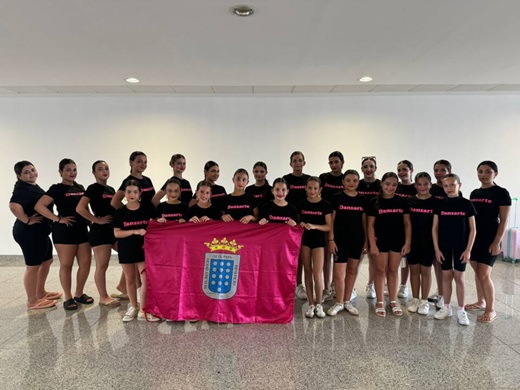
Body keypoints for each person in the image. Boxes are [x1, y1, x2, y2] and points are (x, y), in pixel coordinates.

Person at [35, 158, 92, 311]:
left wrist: (91, 221)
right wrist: (57, 219)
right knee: (66, 265)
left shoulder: (80, 187)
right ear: (60, 172)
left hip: (81, 230)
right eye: (68, 170)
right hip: (64, 231)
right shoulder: (56, 188)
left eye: (74, 169)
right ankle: (68, 297)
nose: (72, 173)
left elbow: (85, 208)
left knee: (85, 263)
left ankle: (79, 293)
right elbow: (39, 206)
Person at [9, 161, 59, 310]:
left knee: (47, 260)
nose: (31, 173)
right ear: (19, 176)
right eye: (26, 172)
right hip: (28, 233)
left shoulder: (32, 186)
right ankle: (32, 301)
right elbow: (13, 205)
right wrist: (26, 220)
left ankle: (40, 292)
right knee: (33, 266)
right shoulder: (21, 189)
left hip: (40, 232)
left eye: (32, 170)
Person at [467, 161, 511, 323]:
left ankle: (490, 309)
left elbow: (504, 220)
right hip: (475, 239)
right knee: (477, 271)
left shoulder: (501, 193)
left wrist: (496, 242)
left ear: (495, 174)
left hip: (490, 238)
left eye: (488, 171)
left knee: (484, 274)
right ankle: (481, 301)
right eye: (480, 171)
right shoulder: (475, 193)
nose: (483, 175)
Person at [432, 174, 476, 326]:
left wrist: (468, 249)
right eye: (446, 186)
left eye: (452, 185)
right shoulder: (440, 204)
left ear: (459, 185)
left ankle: (461, 310)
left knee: (459, 277)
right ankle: (446, 307)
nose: (449, 188)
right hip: (444, 246)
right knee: (446, 275)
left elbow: (473, 230)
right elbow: (434, 228)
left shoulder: (466, 204)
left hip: (461, 246)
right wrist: (437, 249)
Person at [113, 179, 160, 322]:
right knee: (129, 279)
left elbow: (155, 225)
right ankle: (133, 306)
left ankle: (143, 310)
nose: (131, 194)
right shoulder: (120, 211)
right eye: (128, 192)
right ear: (125, 194)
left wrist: (161, 222)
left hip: (144, 250)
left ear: (140, 193)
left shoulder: (147, 209)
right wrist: (134, 231)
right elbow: (117, 233)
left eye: (135, 191)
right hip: (126, 249)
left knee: (145, 280)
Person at [111, 151, 155, 298]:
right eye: (139, 161)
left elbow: (153, 201)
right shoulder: (127, 181)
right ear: (131, 162)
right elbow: (115, 202)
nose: (142, 164)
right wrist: (128, 214)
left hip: (146, 221)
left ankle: (126, 290)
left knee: (139, 264)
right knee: (133, 264)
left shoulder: (147, 180)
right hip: (135, 225)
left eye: (145, 162)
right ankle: (130, 294)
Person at [76, 160, 120, 307]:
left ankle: (124, 288)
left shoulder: (111, 190)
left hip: (113, 230)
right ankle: (103, 297)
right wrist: (96, 220)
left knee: (129, 256)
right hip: (100, 232)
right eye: (100, 169)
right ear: (94, 173)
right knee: (102, 265)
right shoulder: (92, 188)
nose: (104, 171)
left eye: (106, 168)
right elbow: (80, 208)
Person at [367, 172, 411, 317]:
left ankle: (393, 300)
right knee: (380, 270)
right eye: (387, 184)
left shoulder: (402, 201)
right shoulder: (375, 201)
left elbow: (407, 223)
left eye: (393, 185)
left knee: (393, 270)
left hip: (397, 241)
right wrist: (372, 244)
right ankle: (380, 301)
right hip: (381, 241)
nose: (390, 187)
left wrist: (408, 242)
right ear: (381, 184)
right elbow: (370, 225)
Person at [327, 170, 367, 317]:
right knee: (338, 274)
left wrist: (366, 241)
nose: (351, 183)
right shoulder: (337, 198)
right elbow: (331, 220)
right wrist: (331, 239)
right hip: (339, 241)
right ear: (343, 182)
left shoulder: (362, 200)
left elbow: (364, 222)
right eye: (348, 180)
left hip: (357, 241)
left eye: (355, 180)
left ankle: (347, 301)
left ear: (358, 182)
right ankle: (338, 302)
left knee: (352, 270)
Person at [298, 177, 332, 319]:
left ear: (320, 190)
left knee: (317, 275)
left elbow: (329, 226)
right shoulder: (301, 204)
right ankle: (311, 304)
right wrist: (300, 225)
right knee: (308, 271)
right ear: (305, 188)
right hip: (305, 242)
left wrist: (315, 226)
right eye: (310, 188)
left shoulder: (325, 205)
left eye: (315, 188)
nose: (312, 191)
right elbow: (297, 223)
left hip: (319, 242)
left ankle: (319, 304)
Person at [407, 172, 438, 315]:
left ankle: (424, 301)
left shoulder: (436, 202)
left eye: (426, 184)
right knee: (414, 271)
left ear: (430, 185)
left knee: (425, 271)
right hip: (413, 242)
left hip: (429, 242)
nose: (422, 187)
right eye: (419, 184)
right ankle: (415, 299)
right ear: (415, 185)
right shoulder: (410, 201)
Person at [283, 151, 311, 300]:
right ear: (291, 163)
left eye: (300, 160)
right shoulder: (286, 179)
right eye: (295, 161)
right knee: (288, 255)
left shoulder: (309, 180)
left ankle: (299, 285)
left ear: (304, 162)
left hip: (304, 221)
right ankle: (288, 283)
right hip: (289, 222)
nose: (297, 163)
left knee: (301, 256)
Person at [319, 151, 345, 302]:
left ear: (342, 162)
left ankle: (337, 284)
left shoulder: (345, 178)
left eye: (336, 162)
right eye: (331, 162)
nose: (334, 165)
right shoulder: (324, 178)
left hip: (342, 221)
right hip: (326, 221)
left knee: (340, 256)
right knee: (326, 255)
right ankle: (326, 288)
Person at [429, 159, 455, 306]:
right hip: (431, 230)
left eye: (442, 170)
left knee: (443, 264)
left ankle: (443, 294)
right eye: (436, 170)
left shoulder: (454, 190)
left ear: (449, 171)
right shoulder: (430, 189)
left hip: (445, 233)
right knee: (435, 263)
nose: (439, 173)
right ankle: (440, 291)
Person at [357, 156, 380, 299]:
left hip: (375, 226)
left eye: (371, 166)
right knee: (357, 257)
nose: (368, 169)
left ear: (375, 168)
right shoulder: (357, 184)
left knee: (372, 257)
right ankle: (351, 286)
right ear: (362, 169)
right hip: (358, 225)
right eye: (365, 166)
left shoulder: (380, 185)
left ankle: (370, 284)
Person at [395, 160, 417, 299]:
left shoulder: (416, 187)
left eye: (404, 169)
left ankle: (403, 285)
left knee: (407, 259)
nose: (402, 172)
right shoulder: (395, 187)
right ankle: (389, 283)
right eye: (399, 170)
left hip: (412, 226)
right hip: (396, 227)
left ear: (411, 170)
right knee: (394, 258)